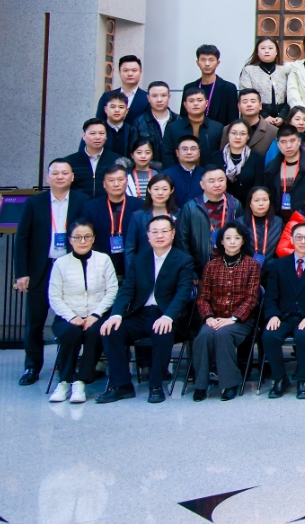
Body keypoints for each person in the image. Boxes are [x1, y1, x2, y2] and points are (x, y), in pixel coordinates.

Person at [96, 215, 196, 404]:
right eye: (155, 232)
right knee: (112, 330)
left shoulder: (183, 260)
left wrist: (168, 316)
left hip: (166, 313)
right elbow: (127, 289)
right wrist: (115, 314)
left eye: (165, 231)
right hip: (140, 313)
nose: (160, 235)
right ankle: (122, 385)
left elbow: (183, 293)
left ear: (173, 234)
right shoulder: (139, 259)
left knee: (162, 332)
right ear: (148, 236)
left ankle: (156, 385)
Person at [14, 160, 88, 385]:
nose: (60, 177)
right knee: (35, 321)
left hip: (70, 265)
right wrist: (22, 272)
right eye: (55, 173)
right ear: (48, 178)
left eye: (65, 173)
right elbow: (22, 239)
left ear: (72, 177)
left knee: (68, 319)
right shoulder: (34, 203)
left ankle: (66, 366)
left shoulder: (81, 201)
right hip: (41, 268)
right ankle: (32, 367)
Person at [46, 221, 118, 404]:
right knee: (71, 333)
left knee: (97, 332)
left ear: (93, 239)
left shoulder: (103, 260)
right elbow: (54, 296)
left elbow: (112, 291)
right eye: (77, 237)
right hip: (67, 317)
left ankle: (81, 381)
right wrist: (72, 317)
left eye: (87, 237)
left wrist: (95, 315)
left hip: (97, 316)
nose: (83, 241)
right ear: (70, 240)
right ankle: (64, 381)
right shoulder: (60, 264)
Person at [261, 219, 305, 399]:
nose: (303, 241)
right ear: (291, 240)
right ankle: (280, 379)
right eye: (299, 237)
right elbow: (270, 296)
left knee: (304, 335)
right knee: (269, 335)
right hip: (284, 315)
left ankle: (302, 380)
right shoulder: (278, 265)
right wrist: (272, 315)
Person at [191, 221, 262, 402]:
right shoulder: (211, 266)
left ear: (242, 241)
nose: (232, 242)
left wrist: (233, 318)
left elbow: (252, 298)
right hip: (214, 318)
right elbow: (203, 297)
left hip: (240, 321)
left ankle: (229, 384)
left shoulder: (252, 265)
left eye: (236, 238)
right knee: (203, 336)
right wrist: (208, 317)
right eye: (228, 238)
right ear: (221, 241)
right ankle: (201, 384)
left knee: (223, 335)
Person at [80, 163, 143, 279]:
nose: (116, 184)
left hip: (132, 266)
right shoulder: (91, 207)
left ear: (127, 181)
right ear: (104, 184)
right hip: (99, 268)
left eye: (120, 179)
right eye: (111, 180)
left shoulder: (140, 206)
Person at [176, 167, 241, 278]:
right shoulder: (191, 207)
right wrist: (190, 271)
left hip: (230, 268)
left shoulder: (235, 204)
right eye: (211, 181)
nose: (217, 184)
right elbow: (182, 241)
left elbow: (242, 235)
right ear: (202, 184)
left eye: (221, 180)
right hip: (200, 269)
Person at [127, 174, 178, 273]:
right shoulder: (138, 216)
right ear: (149, 190)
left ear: (171, 191)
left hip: (172, 268)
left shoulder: (179, 214)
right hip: (144, 268)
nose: (160, 193)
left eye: (164, 189)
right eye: (156, 189)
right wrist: (132, 272)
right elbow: (130, 248)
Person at [164, 88, 225, 168]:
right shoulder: (173, 127)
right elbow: (167, 155)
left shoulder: (217, 128)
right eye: (191, 101)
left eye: (199, 100)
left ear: (206, 103)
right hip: (179, 176)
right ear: (185, 104)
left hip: (210, 176)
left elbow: (221, 155)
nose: (196, 104)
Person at [183, 44, 240, 125]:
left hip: (219, 135)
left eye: (211, 60)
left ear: (218, 63)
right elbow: (183, 117)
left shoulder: (228, 88)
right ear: (197, 62)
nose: (207, 64)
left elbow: (233, 120)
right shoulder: (189, 87)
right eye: (203, 60)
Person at [239, 36, 290, 120]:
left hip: (282, 118)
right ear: (257, 52)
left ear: (276, 51)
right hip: (256, 117)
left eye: (270, 48)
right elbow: (246, 95)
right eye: (263, 48)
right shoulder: (248, 70)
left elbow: (291, 96)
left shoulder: (285, 70)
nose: (267, 51)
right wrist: (264, 116)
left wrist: (282, 117)